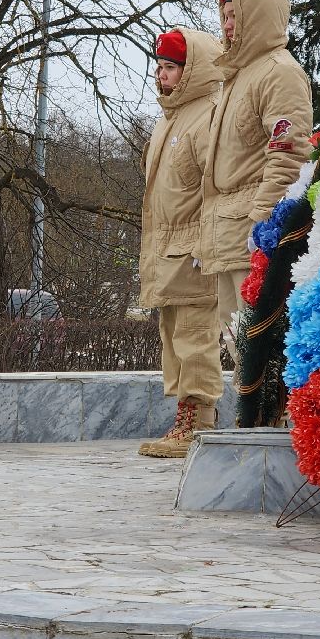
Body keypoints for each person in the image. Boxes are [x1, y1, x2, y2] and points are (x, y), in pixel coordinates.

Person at [199, 0, 313, 365]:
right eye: (224, 16)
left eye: (236, 16)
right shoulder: (237, 77)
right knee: (240, 351)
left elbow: (288, 156)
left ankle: (269, 411)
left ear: (260, 16)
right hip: (227, 234)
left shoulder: (279, 72)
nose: (228, 24)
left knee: (262, 355)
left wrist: (261, 224)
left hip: (251, 234)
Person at [137, 28, 225, 458]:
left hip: (194, 251)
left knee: (195, 337)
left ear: (191, 71)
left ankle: (198, 422)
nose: (161, 75)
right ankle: (186, 419)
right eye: (159, 66)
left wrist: (208, 244)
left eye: (170, 67)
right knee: (174, 336)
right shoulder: (168, 120)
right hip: (167, 251)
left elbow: (219, 187)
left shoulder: (208, 116)